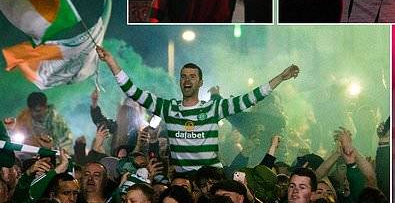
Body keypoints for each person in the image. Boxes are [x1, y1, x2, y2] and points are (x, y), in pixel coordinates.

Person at [96, 46, 300, 173]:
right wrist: (111, 62)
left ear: (200, 82)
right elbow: (133, 91)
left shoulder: (214, 108)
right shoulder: (167, 107)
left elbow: (250, 98)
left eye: (192, 76)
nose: (187, 80)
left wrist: (280, 78)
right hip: (182, 180)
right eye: (184, 76)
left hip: (211, 177)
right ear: (179, 82)